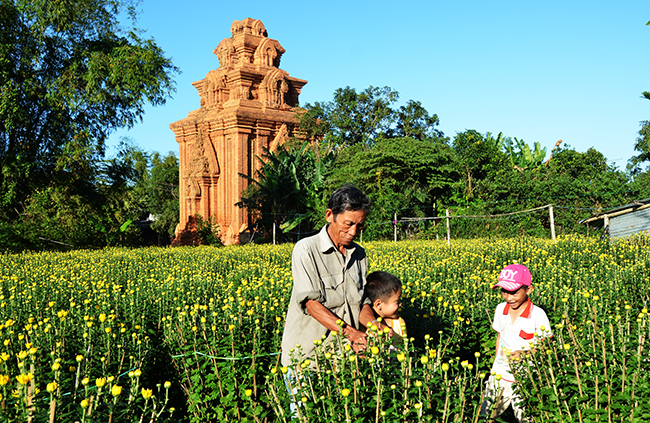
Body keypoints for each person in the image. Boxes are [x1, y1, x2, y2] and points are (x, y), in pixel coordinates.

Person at [281, 184, 376, 369]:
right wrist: (352, 334)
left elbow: (362, 302)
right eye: (348, 224)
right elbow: (311, 305)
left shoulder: (359, 254)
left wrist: (375, 326)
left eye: (360, 225)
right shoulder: (306, 249)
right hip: (307, 360)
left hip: (344, 360)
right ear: (329, 215)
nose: (354, 232)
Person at [480, 264, 553, 422]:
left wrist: (525, 354)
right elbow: (500, 336)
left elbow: (546, 346)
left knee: (524, 418)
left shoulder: (538, 315)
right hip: (499, 374)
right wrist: (496, 362)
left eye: (513, 292)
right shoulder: (500, 309)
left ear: (528, 290)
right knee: (486, 415)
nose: (508, 297)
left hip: (525, 378)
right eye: (504, 291)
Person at [364, 271, 406, 346]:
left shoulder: (400, 323)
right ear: (379, 304)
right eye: (397, 301)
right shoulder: (365, 326)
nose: (400, 304)